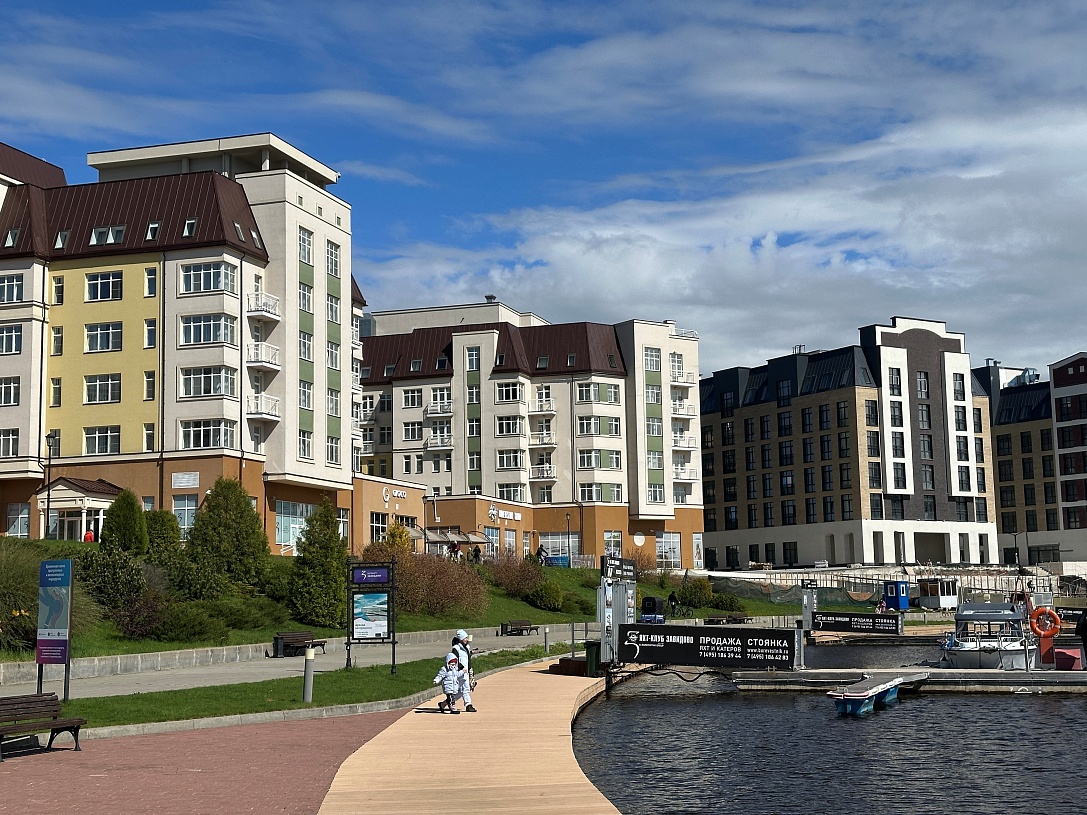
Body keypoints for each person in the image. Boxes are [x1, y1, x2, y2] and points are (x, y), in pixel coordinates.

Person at [451, 628, 477, 712]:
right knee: (464, 689)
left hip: (466, 671)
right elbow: (455, 660)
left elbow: (467, 659)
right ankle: (468, 705)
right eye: (465, 638)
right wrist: (461, 667)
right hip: (459, 672)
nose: (467, 640)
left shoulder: (467, 647)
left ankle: (446, 703)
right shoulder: (456, 648)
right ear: (461, 639)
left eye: (467, 638)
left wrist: (470, 669)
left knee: (463, 690)